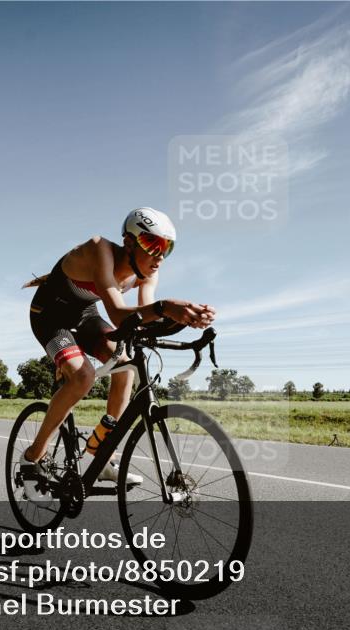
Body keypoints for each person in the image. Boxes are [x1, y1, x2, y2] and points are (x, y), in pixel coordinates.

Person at [20, 207, 215, 487]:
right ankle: (32, 457)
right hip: (50, 316)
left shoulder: (148, 272)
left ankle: (100, 455)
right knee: (83, 376)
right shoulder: (99, 249)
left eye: (167, 248)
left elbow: (141, 317)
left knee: (125, 369)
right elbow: (119, 313)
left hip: (84, 315)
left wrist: (184, 319)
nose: (159, 256)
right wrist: (165, 307)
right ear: (128, 242)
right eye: (153, 244)